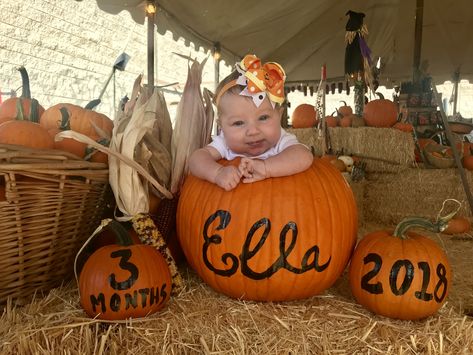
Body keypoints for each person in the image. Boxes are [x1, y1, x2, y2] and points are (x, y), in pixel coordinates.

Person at [188, 54, 313, 191]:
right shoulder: (224, 143)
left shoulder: (281, 141)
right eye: (238, 123)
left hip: (281, 203)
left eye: (263, 118)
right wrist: (217, 173)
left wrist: (266, 168)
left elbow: (304, 156)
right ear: (221, 126)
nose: (253, 131)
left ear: (279, 116)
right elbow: (196, 159)